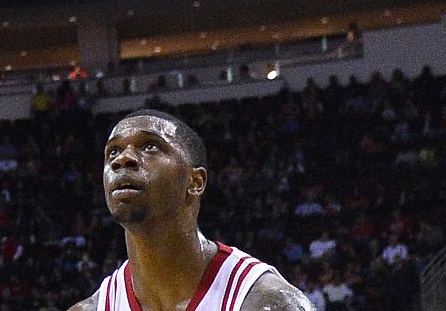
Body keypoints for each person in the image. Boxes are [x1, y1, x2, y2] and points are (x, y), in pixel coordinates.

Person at [65, 110, 315, 311]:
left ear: (195, 182)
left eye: (150, 146)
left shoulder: (266, 302)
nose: (123, 159)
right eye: (113, 152)